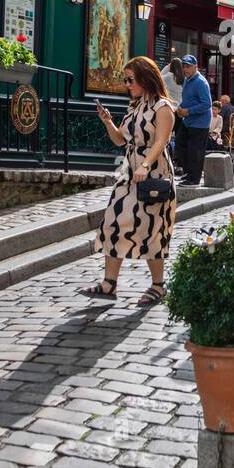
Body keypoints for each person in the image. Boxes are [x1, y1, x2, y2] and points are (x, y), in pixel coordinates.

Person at [79, 57, 176, 306]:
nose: (127, 84)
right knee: (112, 221)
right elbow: (120, 140)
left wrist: (145, 165)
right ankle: (108, 284)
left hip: (154, 173)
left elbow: (161, 141)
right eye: (125, 80)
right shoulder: (135, 106)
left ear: (145, 78)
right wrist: (107, 121)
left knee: (152, 228)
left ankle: (158, 286)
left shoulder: (162, 107)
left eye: (130, 79)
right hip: (130, 173)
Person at [174, 55, 212, 185]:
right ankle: (188, 173)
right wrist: (180, 109)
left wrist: (188, 111)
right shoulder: (187, 80)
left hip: (200, 123)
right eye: (184, 66)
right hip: (188, 120)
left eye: (188, 66)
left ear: (196, 67)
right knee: (179, 143)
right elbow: (187, 100)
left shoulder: (201, 82)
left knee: (195, 151)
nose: (185, 69)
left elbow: (207, 104)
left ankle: (194, 179)